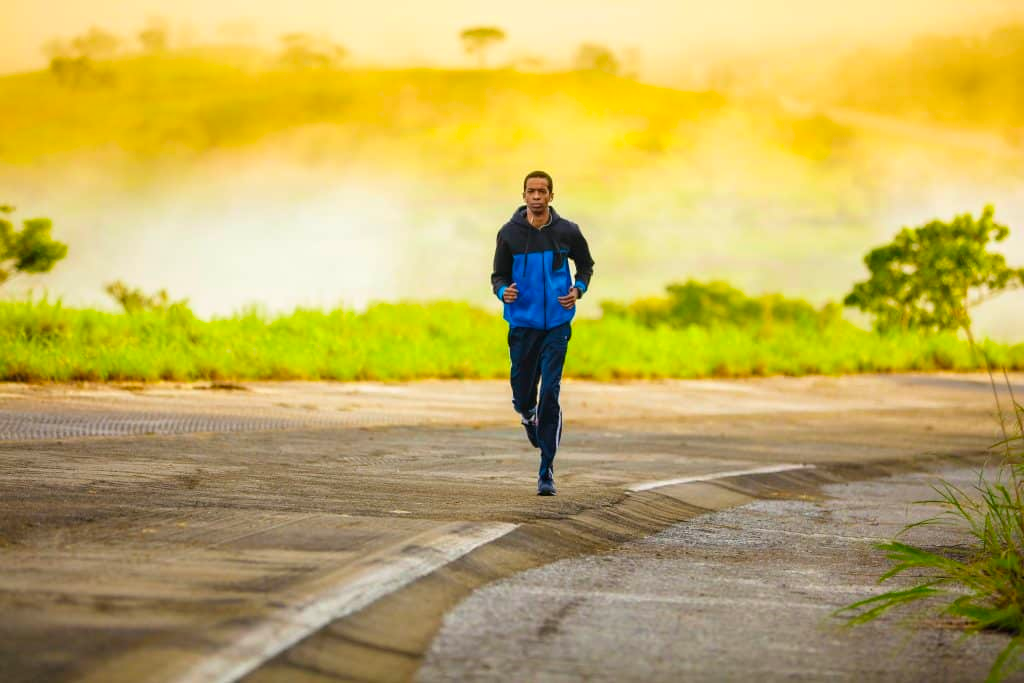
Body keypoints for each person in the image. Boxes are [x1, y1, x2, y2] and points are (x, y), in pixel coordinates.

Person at [490, 170, 595, 496]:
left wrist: (577, 290)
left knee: (550, 391)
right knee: (524, 394)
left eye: (542, 191)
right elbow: (498, 275)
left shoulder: (567, 231)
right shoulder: (509, 234)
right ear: (523, 195)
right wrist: (503, 291)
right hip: (523, 324)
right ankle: (527, 414)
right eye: (531, 191)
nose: (536, 196)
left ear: (551, 195)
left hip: (557, 325)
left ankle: (546, 469)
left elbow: (586, 266)